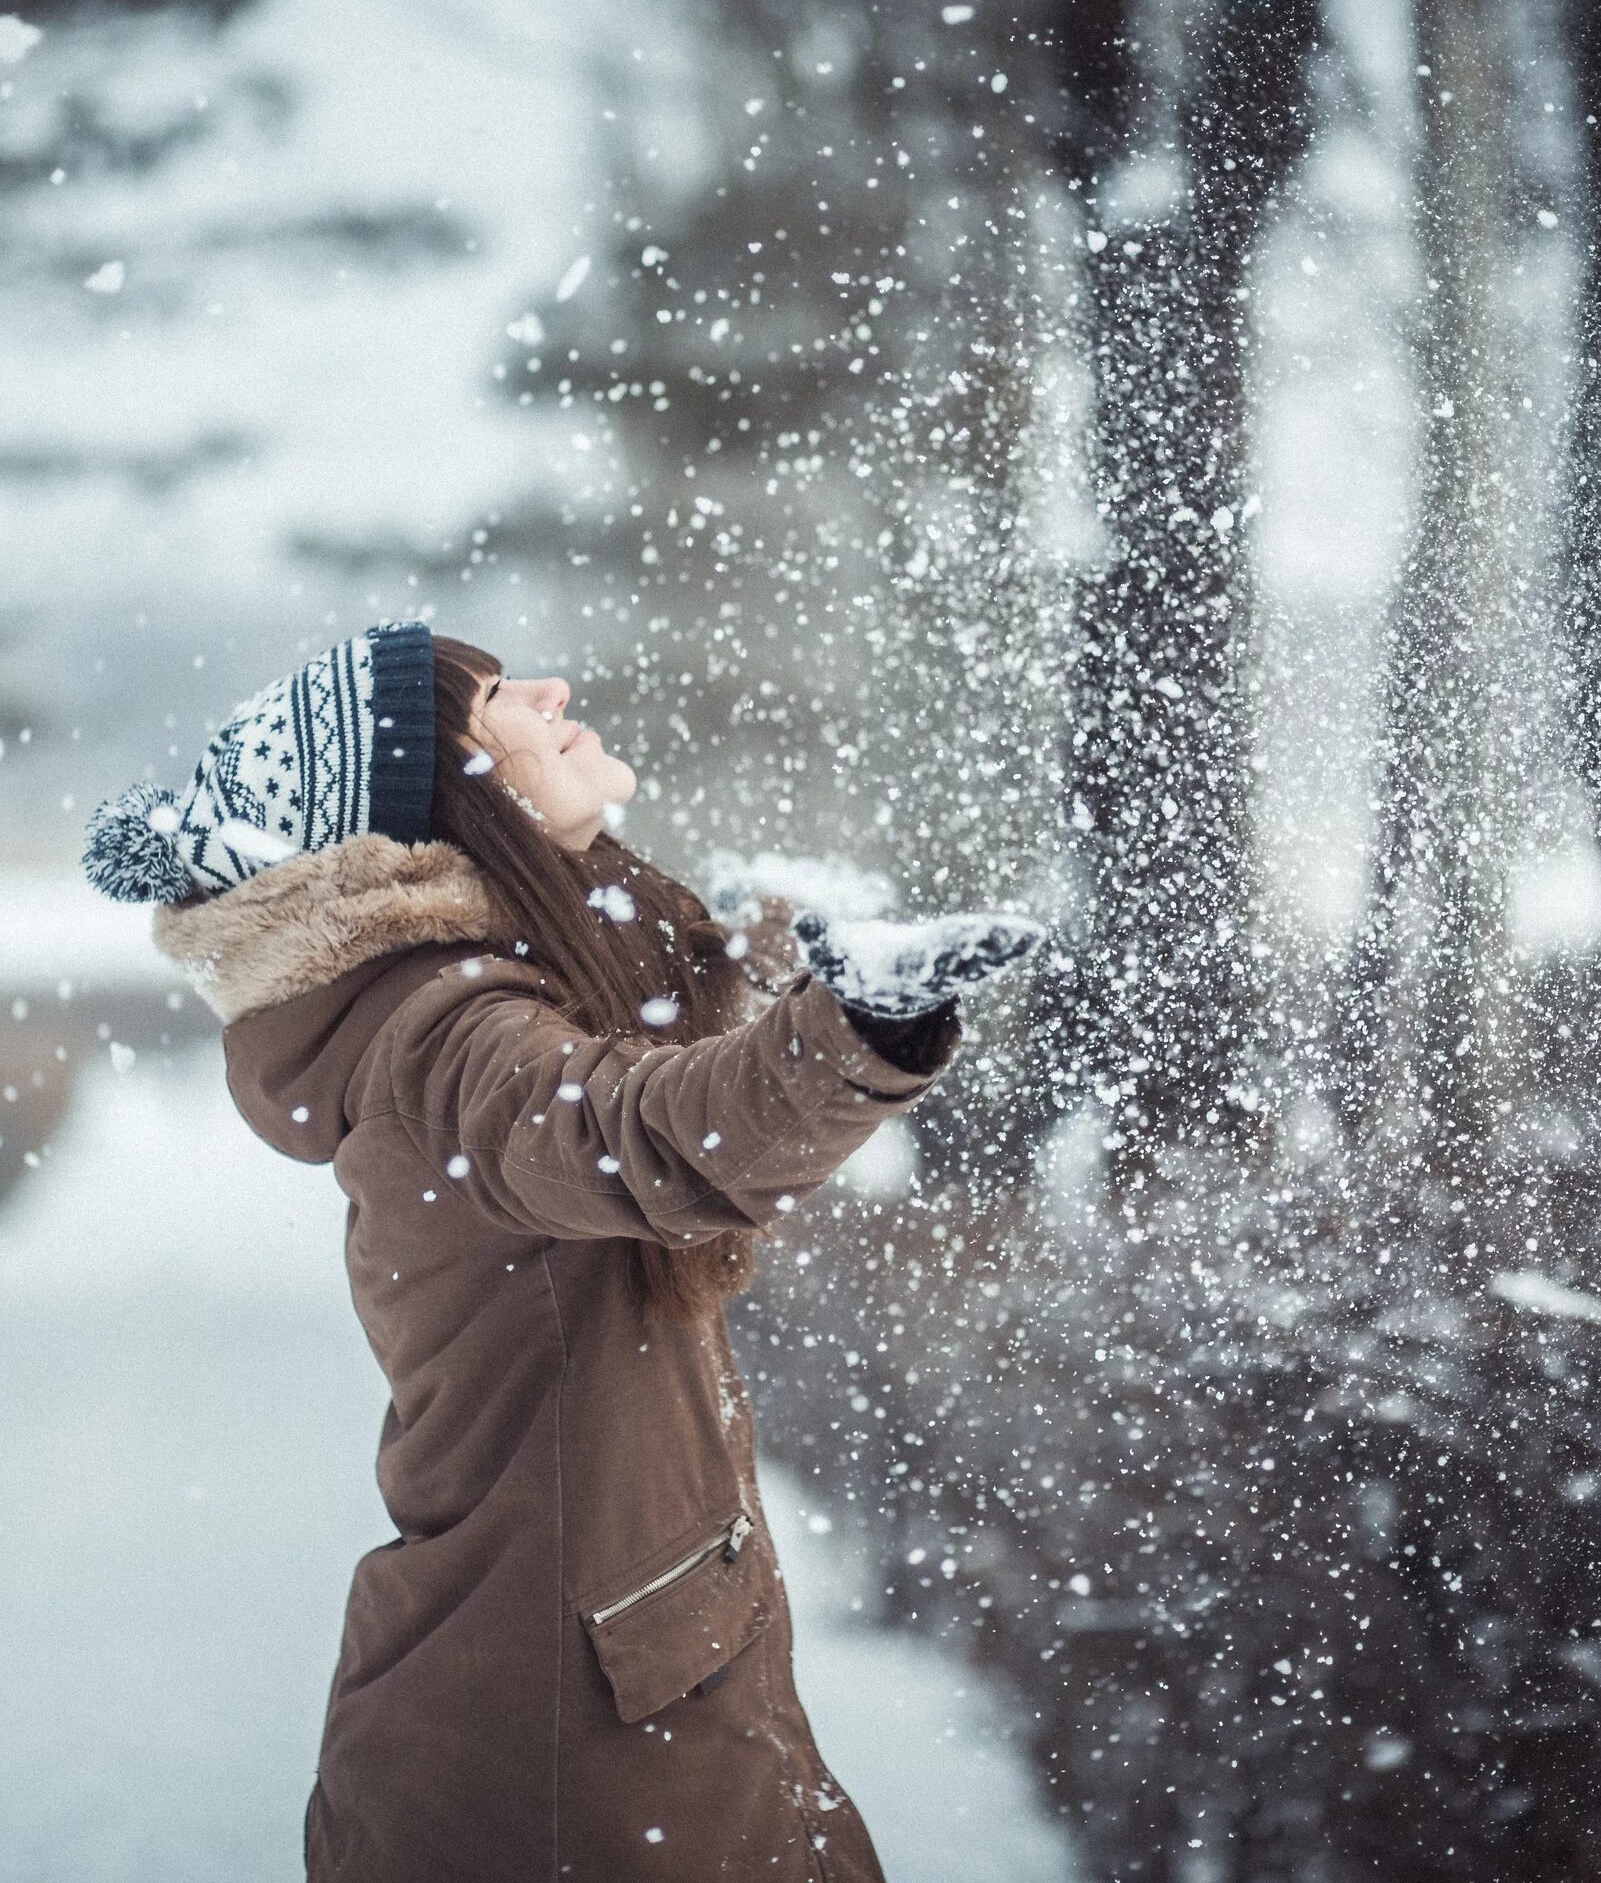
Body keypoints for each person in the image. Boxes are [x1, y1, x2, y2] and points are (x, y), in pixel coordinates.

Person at [85, 620, 1038, 1882]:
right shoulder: (442, 1034)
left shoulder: (456, 1002)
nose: (550, 691)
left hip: (592, 1684)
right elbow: (633, 1128)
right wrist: (852, 1024)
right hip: (559, 1744)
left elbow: (638, 1065)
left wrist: (770, 961)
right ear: (441, 816)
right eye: (493, 703)